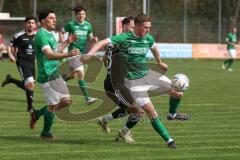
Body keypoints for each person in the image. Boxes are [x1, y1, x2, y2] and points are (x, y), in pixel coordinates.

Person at [83, 14, 187, 149]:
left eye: (149, 27)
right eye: (145, 27)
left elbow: (154, 48)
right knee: (150, 112)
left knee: (178, 92)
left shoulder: (148, 38)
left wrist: (160, 62)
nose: (148, 30)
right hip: (134, 82)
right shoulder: (124, 38)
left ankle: (172, 114)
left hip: (148, 75)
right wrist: (90, 54)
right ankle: (169, 140)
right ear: (137, 26)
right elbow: (101, 42)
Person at [29, 9, 80, 139]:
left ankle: (37, 113)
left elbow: (56, 49)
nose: (54, 20)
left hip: (55, 73)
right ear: (42, 21)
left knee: (66, 102)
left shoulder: (50, 34)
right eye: (51, 18)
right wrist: (68, 54)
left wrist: (67, 41)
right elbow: (50, 55)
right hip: (46, 76)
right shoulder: (41, 35)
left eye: (55, 17)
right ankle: (45, 133)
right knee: (52, 107)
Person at [96, 16, 141, 142]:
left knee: (128, 108)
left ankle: (104, 120)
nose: (133, 30)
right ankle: (124, 133)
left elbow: (104, 59)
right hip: (116, 85)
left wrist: (111, 71)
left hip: (113, 82)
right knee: (136, 112)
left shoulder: (113, 43)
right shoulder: (123, 42)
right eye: (132, 27)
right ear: (124, 26)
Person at [60, 5, 98, 105]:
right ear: (75, 15)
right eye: (79, 14)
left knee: (73, 75)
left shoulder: (88, 25)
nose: (81, 15)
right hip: (73, 52)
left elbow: (90, 37)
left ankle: (60, 80)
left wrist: (93, 39)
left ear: (85, 15)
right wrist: (63, 41)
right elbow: (62, 32)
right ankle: (88, 98)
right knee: (81, 74)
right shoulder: (71, 25)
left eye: (83, 14)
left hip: (81, 53)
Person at [1, 16, 36, 112]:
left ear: (35, 25)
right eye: (29, 22)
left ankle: (10, 80)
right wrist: (11, 56)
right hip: (22, 62)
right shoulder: (19, 35)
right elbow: (10, 46)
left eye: (33, 23)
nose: (31, 24)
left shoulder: (37, 36)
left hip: (32, 63)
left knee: (29, 86)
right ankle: (30, 107)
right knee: (30, 85)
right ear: (25, 24)